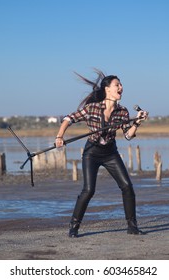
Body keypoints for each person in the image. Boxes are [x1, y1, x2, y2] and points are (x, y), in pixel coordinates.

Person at [55, 69, 148, 237]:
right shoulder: (92, 108)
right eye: (117, 85)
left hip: (111, 153)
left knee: (127, 186)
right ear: (107, 89)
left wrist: (137, 122)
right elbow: (69, 118)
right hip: (92, 152)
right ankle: (74, 226)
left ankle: (132, 226)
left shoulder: (123, 112)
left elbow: (128, 135)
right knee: (89, 190)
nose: (121, 87)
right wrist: (59, 136)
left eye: (121, 85)